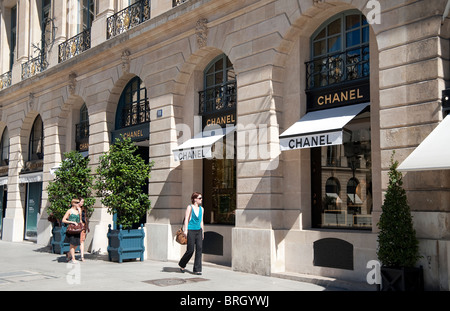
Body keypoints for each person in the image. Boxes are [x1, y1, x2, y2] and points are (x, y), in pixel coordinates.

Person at [178, 192, 204, 275]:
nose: (201, 199)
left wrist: (202, 232)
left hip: (198, 231)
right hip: (191, 230)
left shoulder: (202, 209)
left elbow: (201, 221)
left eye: (201, 198)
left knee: (199, 249)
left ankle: (197, 269)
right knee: (190, 250)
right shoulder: (190, 207)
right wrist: (186, 230)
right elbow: (186, 219)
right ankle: (182, 264)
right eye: (200, 198)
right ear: (195, 199)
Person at [62, 198, 82, 263]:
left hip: (77, 229)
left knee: (76, 244)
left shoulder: (79, 210)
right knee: (72, 244)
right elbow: (63, 220)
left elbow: (80, 220)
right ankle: (73, 258)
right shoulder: (69, 211)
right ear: (73, 203)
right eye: (77, 203)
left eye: (78, 202)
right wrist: (72, 222)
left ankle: (69, 254)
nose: (78, 204)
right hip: (71, 229)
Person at [78, 198, 89, 262]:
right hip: (77, 226)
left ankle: (82, 256)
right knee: (75, 242)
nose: (82, 203)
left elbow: (85, 217)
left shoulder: (83, 209)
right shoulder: (75, 209)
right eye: (81, 202)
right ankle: (69, 254)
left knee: (82, 241)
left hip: (83, 226)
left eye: (83, 202)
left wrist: (87, 226)